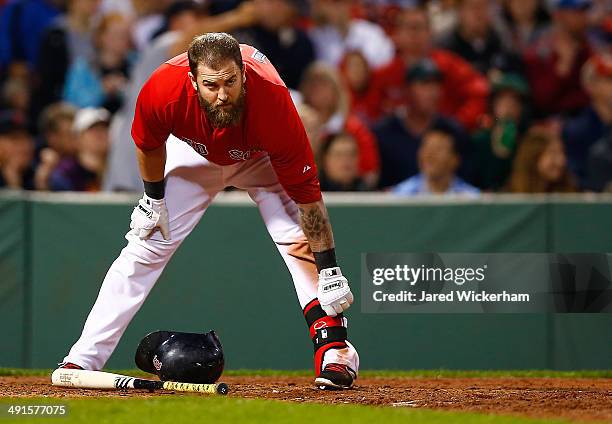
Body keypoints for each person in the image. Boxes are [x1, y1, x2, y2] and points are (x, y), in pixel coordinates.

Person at [57, 33, 359, 390]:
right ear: (192, 79)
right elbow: (149, 145)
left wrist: (329, 267)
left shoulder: (274, 103)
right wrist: (153, 199)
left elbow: (309, 201)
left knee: (299, 242)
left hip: (259, 157)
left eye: (231, 81)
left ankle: (336, 351)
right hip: (193, 155)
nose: (222, 94)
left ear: (243, 73)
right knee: (145, 245)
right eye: (211, 84)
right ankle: (84, 357)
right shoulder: (163, 90)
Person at [392, 125, 479, 196]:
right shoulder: (400, 195)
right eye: (426, 148)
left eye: (438, 149)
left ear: (455, 160)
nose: (429, 155)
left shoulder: (471, 198)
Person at [507, 125, 577, 193]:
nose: (562, 161)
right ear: (533, 158)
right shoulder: (509, 198)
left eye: (562, 153)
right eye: (553, 154)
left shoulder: (571, 196)